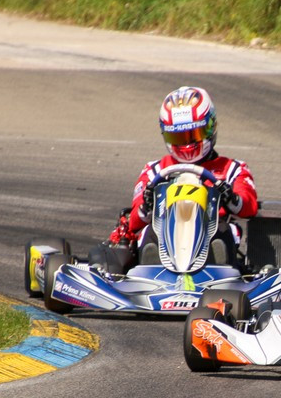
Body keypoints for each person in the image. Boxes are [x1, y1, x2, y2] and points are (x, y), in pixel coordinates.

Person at [101, 86, 258, 272]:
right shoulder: (154, 170)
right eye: (178, 137)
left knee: (224, 233)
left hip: (212, 231)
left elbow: (250, 207)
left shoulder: (231, 169)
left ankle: (220, 274)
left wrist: (231, 198)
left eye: (193, 135)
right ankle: (151, 274)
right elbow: (134, 222)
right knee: (149, 234)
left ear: (210, 128)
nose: (186, 144)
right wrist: (147, 207)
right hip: (164, 233)